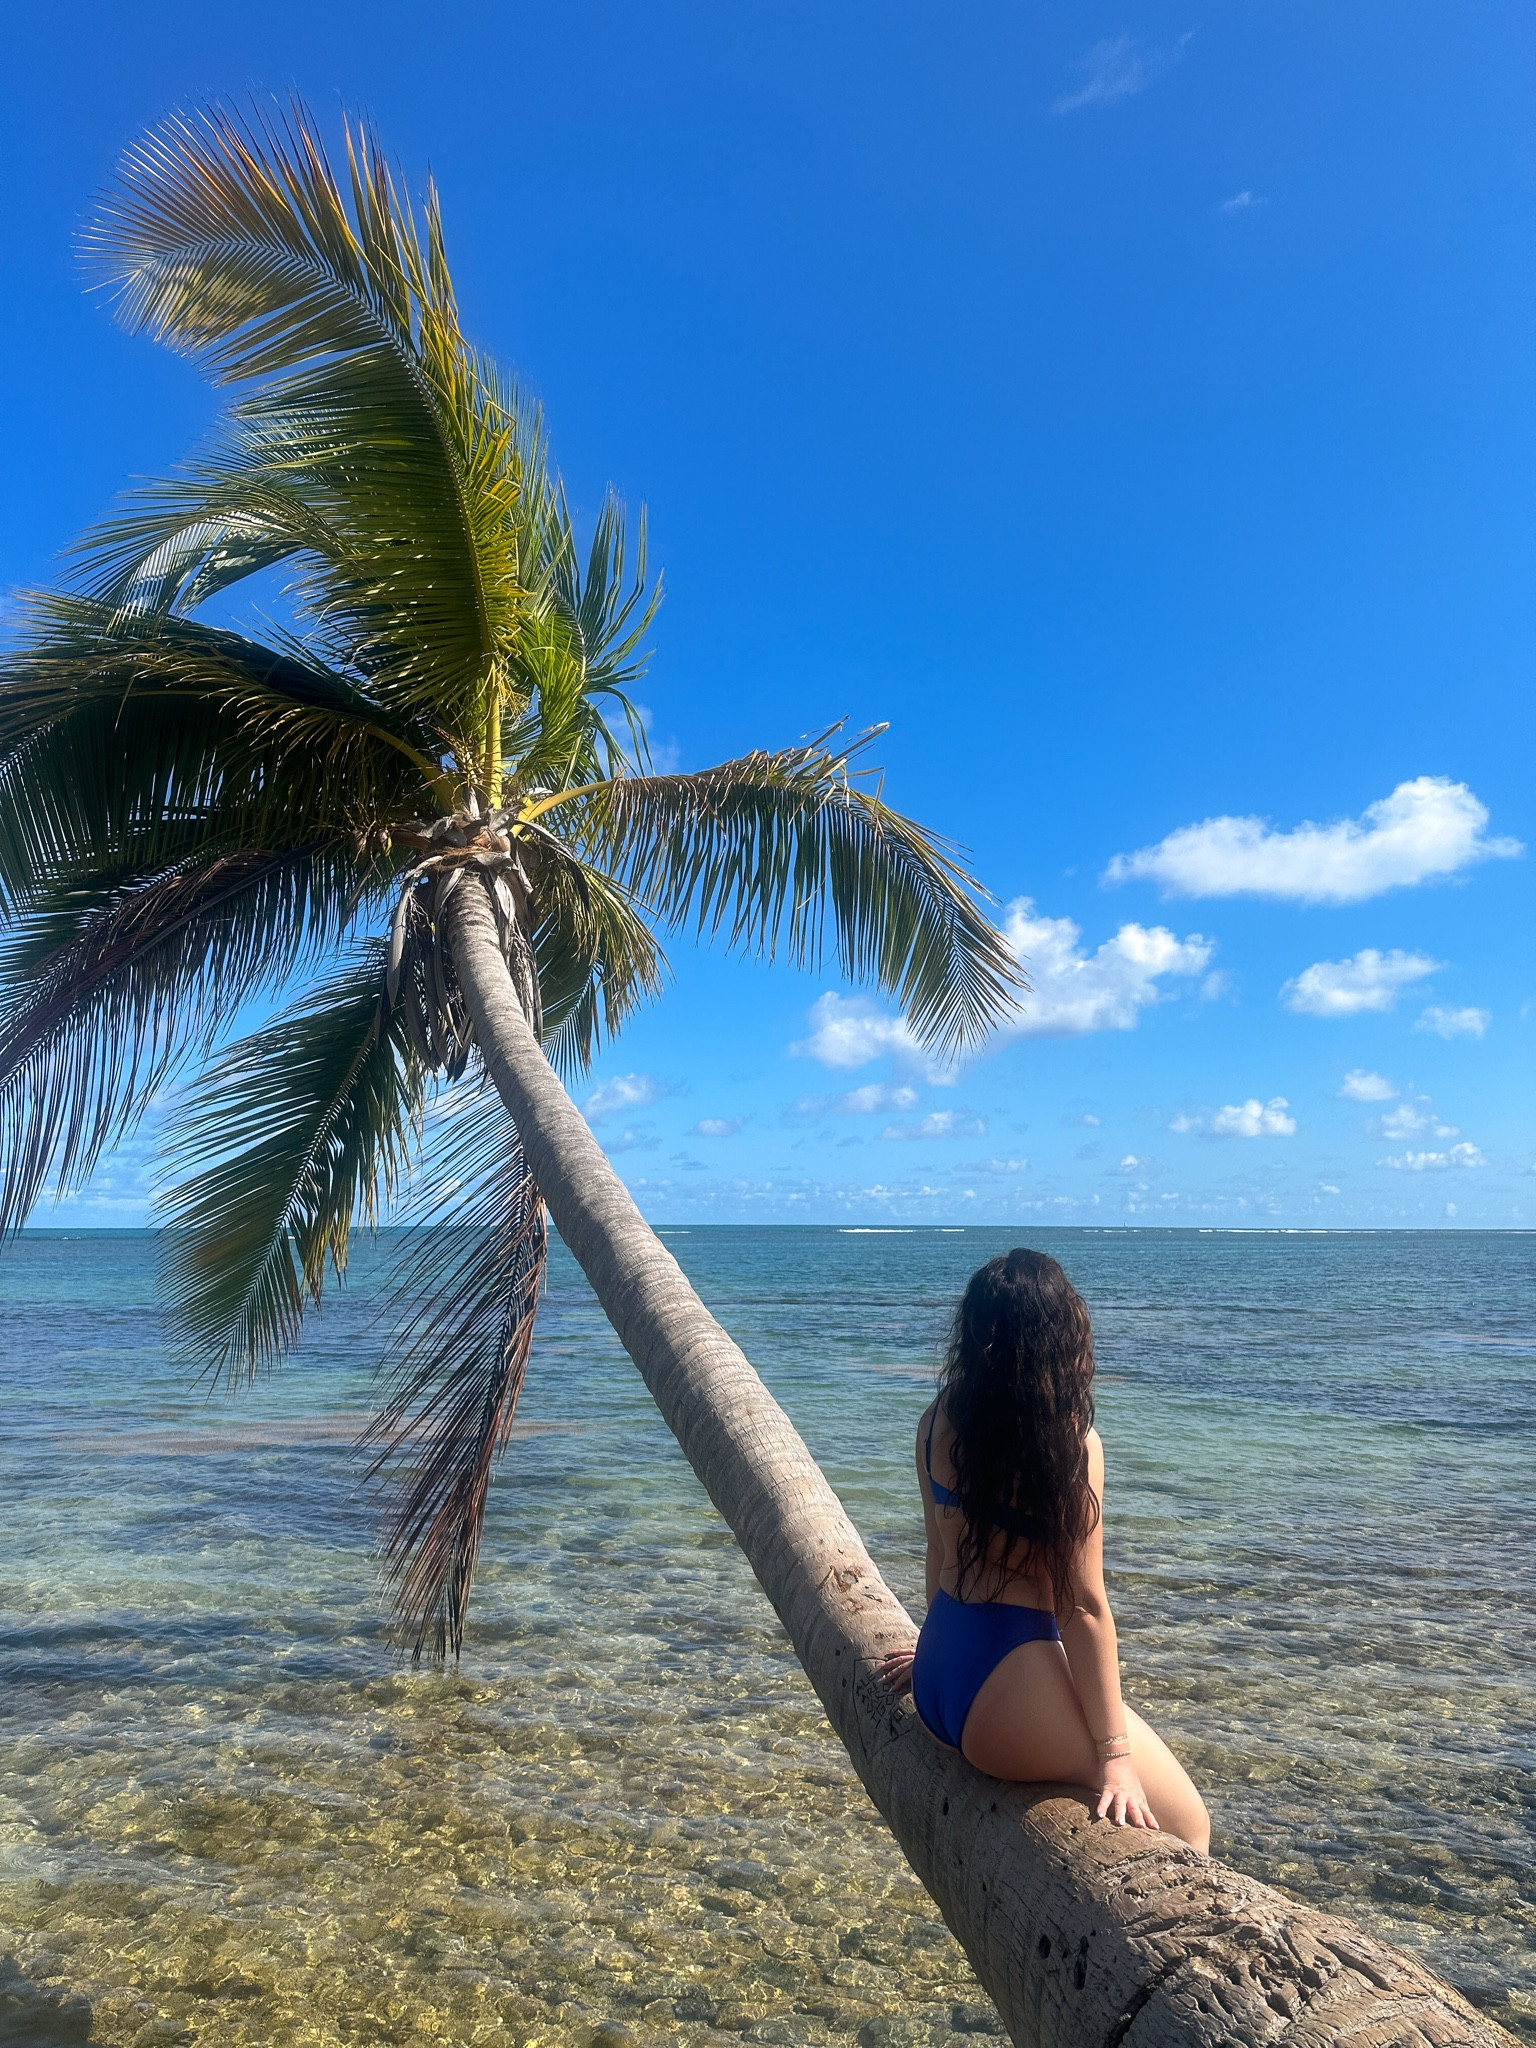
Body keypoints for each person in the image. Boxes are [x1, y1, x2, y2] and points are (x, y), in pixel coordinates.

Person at [880, 1247, 1210, 1852]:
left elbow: (938, 1552)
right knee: (1189, 1825)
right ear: (1062, 1338)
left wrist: (935, 1652)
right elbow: (1083, 1610)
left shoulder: (937, 1419)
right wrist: (1113, 1760)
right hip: (1003, 1699)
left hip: (940, 1678)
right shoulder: (1071, 1447)